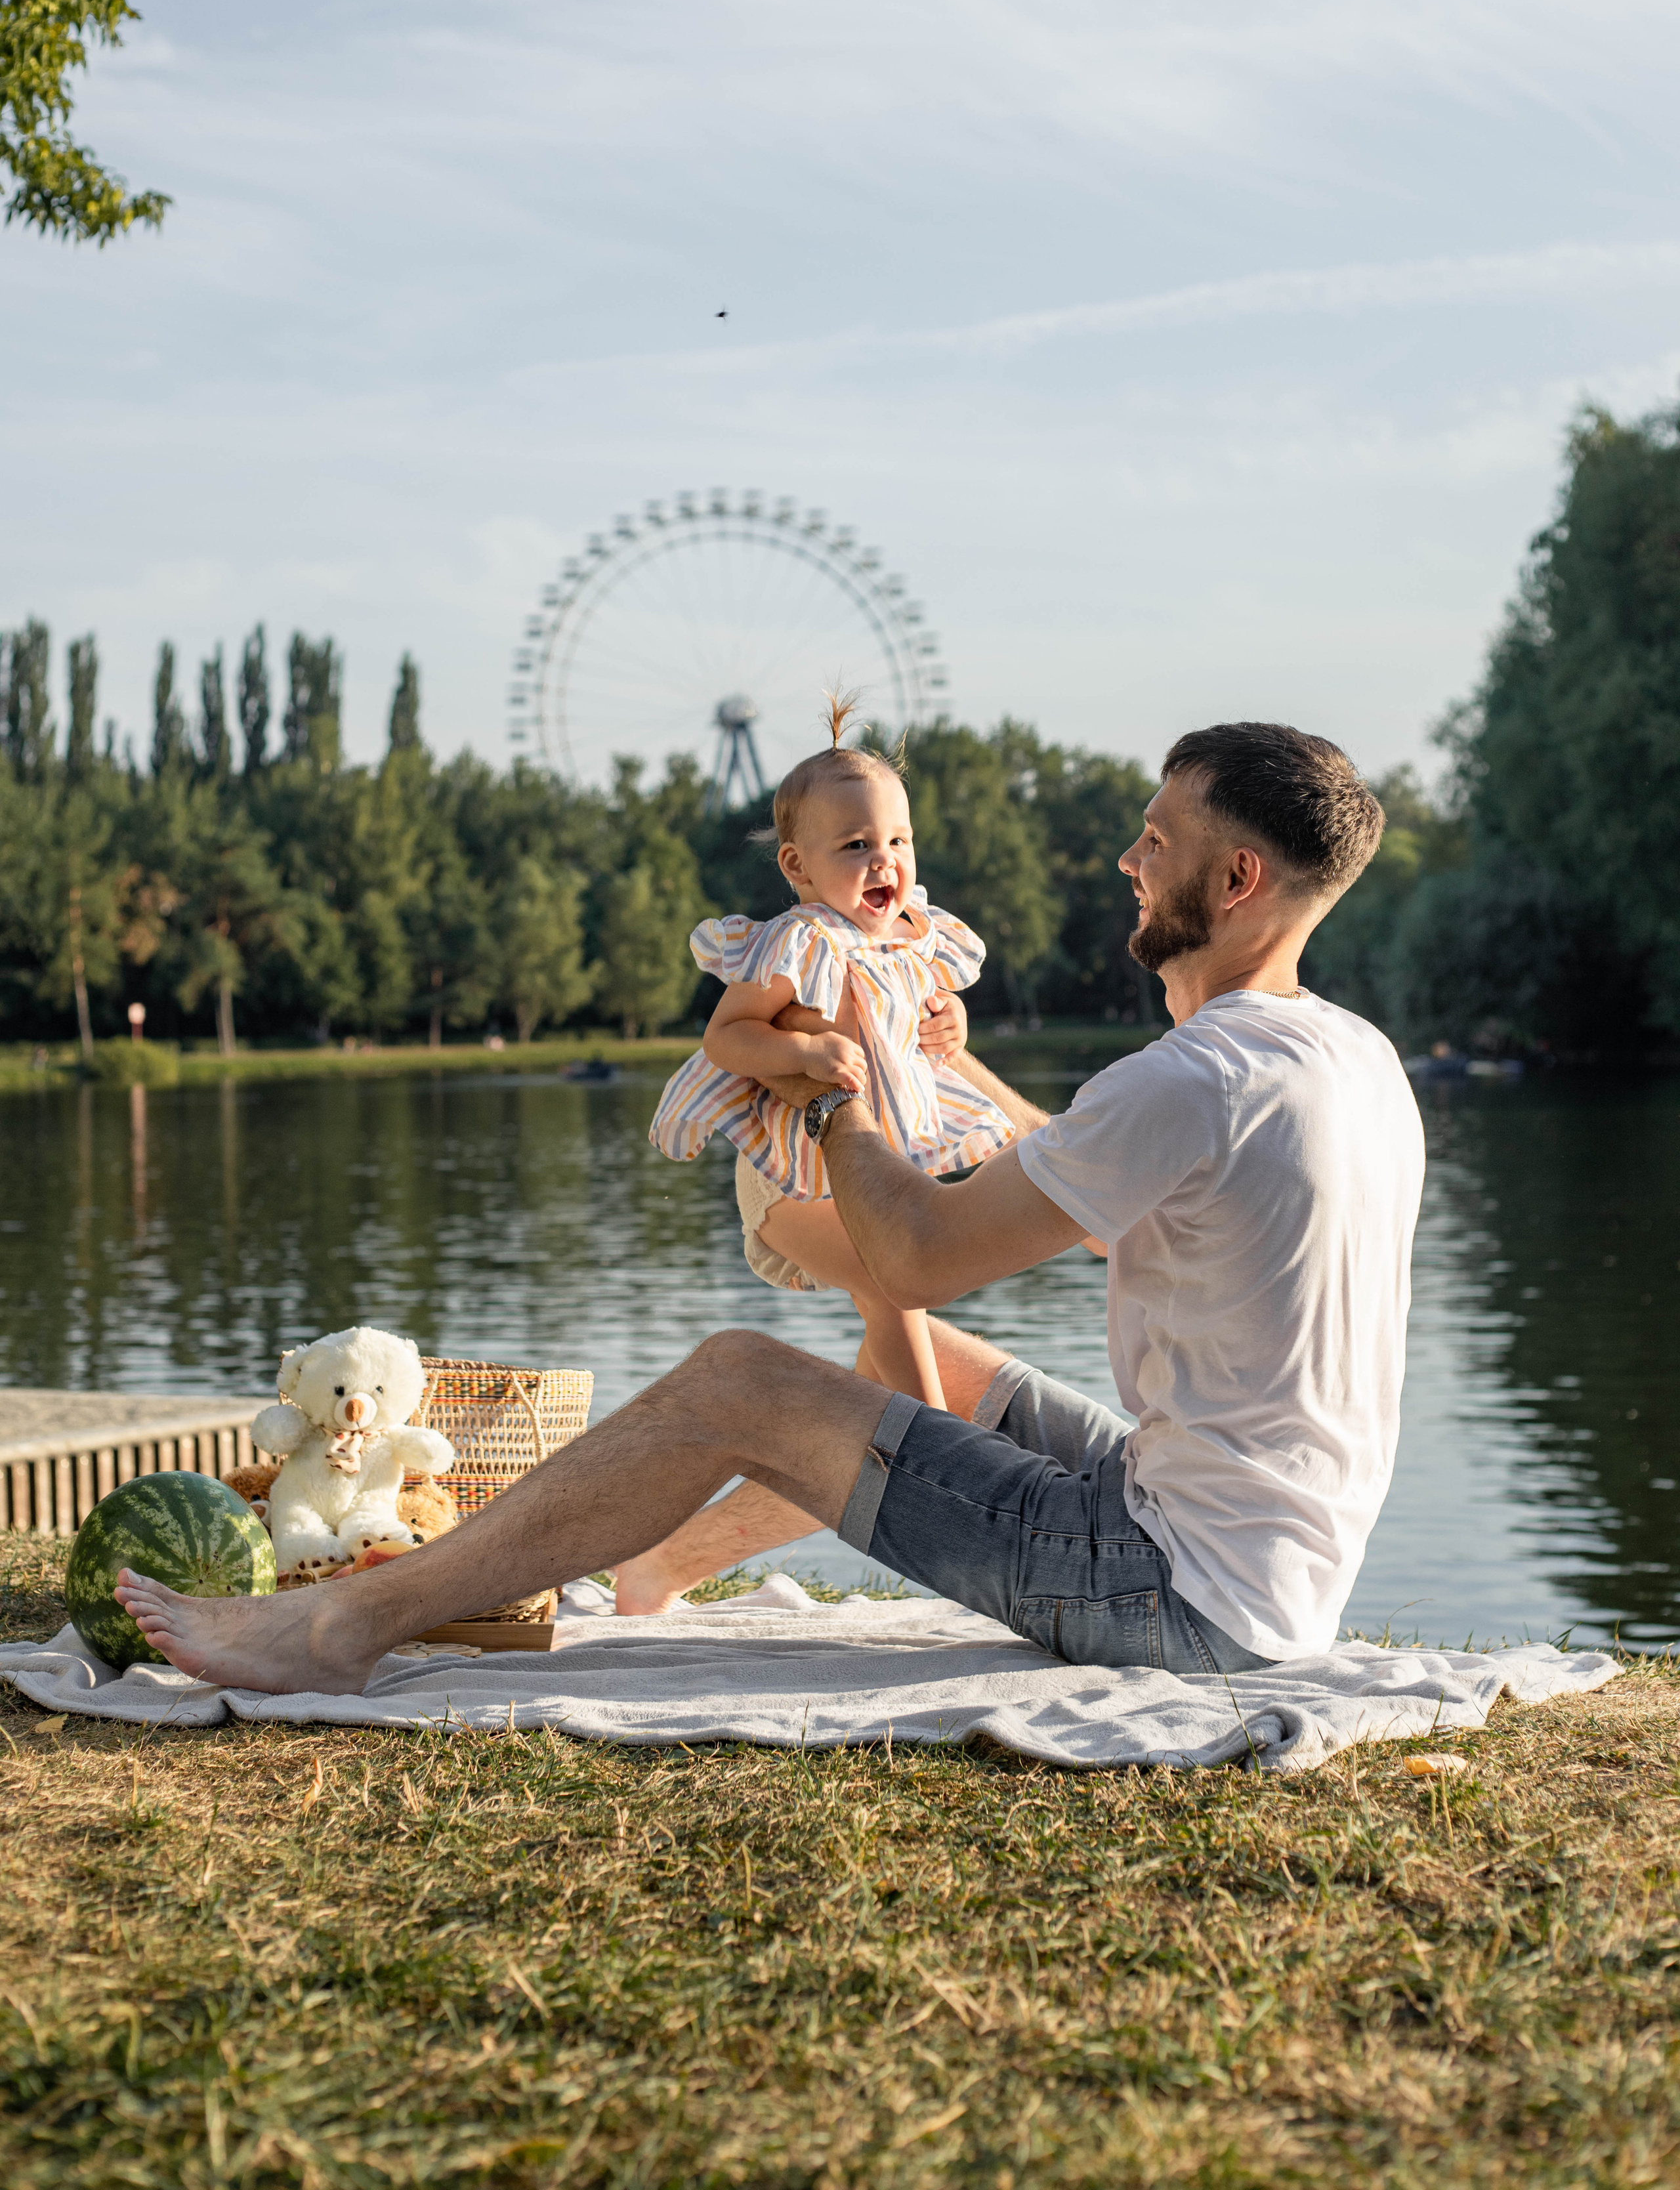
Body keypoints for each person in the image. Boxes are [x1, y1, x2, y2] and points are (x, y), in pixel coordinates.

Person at [116, 721, 1426, 1695]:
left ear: (1235, 881)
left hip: (1170, 1589)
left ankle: (339, 1625)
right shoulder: (1347, 1059)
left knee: (738, 1379)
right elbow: (1088, 1200)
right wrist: (947, 1069)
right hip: (1269, 1573)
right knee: (938, 1376)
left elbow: (911, 1257)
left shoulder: (1191, 1078)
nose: (1129, 860)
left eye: (1157, 841)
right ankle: (657, 1565)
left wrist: (833, 1083)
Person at [620, 696, 1015, 1611]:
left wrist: (950, 1024)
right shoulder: (801, 940)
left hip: (874, 1178)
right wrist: (802, 1052)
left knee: (856, 1426)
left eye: (899, 841)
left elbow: (920, 1027)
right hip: (793, 1181)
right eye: (856, 846)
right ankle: (955, 1465)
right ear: (797, 867)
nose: (885, 862)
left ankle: (660, 1568)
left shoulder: (914, 940)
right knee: (897, 1282)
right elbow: (728, 1037)